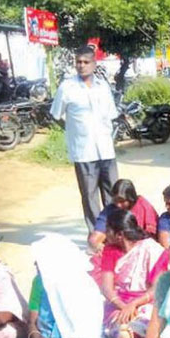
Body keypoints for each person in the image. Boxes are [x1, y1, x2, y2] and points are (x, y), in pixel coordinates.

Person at [9, 234, 104, 338]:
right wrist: (36, 336)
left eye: (40, 262)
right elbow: (33, 320)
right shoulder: (39, 283)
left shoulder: (82, 284)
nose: (36, 265)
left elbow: (84, 331)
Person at [51, 45, 119, 233]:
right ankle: (97, 235)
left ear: (94, 64)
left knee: (113, 194)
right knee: (89, 197)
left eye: (86, 62)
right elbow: (56, 115)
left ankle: (114, 233)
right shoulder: (67, 88)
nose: (81, 66)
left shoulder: (103, 86)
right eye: (78, 62)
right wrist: (74, 132)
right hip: (83, 151)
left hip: (105, 149)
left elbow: (111, 115)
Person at [100, 210, 168, 338]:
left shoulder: (151, 249)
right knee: (121, 330)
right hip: (118, 303)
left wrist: (134, 304)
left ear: (119, 234)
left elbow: (157, 288)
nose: (105, 234)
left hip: (147, 302)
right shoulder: (109, 251)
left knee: (145, 326)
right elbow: (107, 288)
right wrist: (123, 306)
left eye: (108, 230)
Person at [88, 179, 158, 252]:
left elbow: (152, 238)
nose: (118, 205)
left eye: (122, 201)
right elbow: (94, 239)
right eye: (115, 200)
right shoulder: (110, 210)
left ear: (131, 198)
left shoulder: (144, 207)